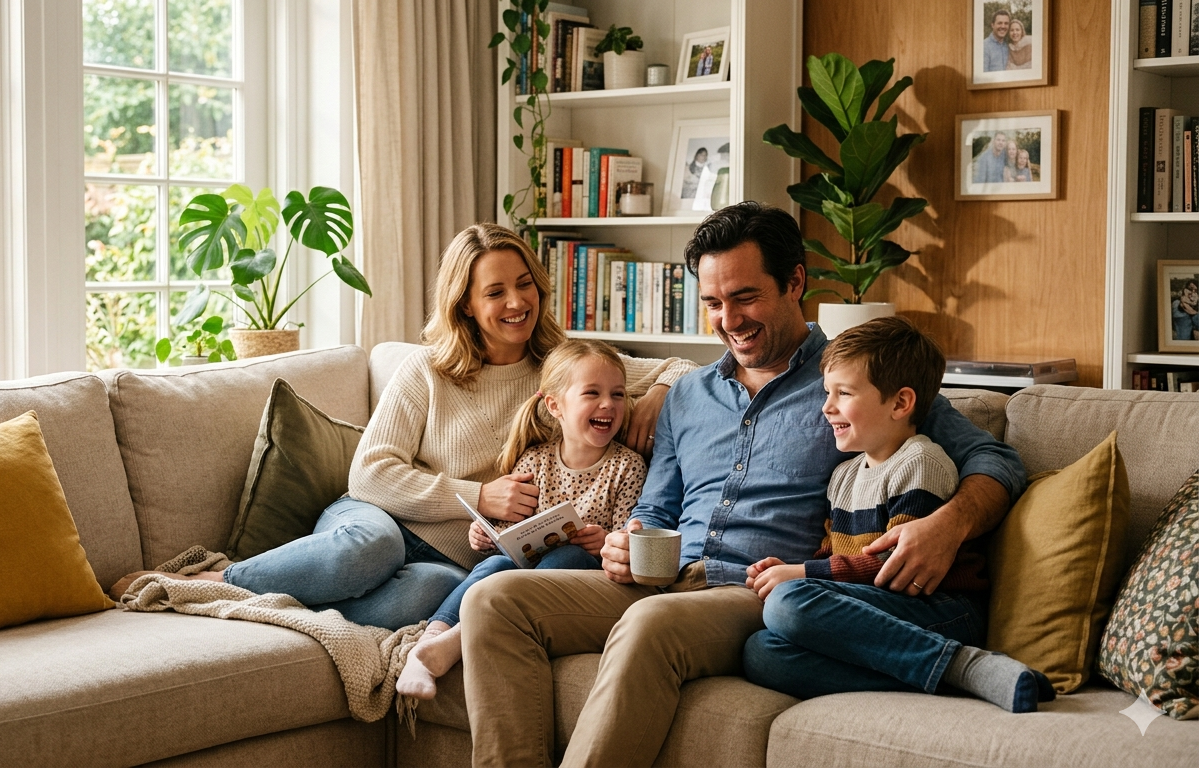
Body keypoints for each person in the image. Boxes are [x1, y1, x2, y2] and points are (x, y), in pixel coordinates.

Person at [459, 202, 1027, 767]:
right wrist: (632, 540)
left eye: (745, 297)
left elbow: (995, 460)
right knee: (492, 600)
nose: (728, 319)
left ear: (794, 282)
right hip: (665, 578)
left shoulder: (856, 380)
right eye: (712, 302)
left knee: (650, 625)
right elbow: (658, 507)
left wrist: (948, 524)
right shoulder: (686, 395)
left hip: (759, 592)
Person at [107, 224, 693, 630]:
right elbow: (369, 474)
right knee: (375, 546)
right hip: (375, 518)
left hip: (452, 556)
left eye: (525, 285)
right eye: (495, 291)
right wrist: (478, 494)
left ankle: (290, 610)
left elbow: (689, 365)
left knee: (437, 595)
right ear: (465, 303)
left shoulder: (562, 368)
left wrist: (656, 394)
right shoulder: (427, 370)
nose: (518, 302)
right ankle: (215, 580)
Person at [740, 317, 1055, 713]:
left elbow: (895, 567)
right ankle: (954, 678)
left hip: (940, 610)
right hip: (882, 608)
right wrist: (797, 567)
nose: (827, 406)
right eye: (827, 392)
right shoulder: (844, 476)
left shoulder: (921, 462)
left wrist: (801, 578)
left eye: (844, 393)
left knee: (788, 602)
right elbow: (830, 556)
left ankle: (967, 663)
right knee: (762, 653)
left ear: (901, 403)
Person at [396, 339, 647, 699]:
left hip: (583, 582)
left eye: (618, 394)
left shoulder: (627, 467)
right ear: (554, 405)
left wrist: (605, 540)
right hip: (520, 573)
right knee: (495, 563)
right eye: (592, 393)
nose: (608, 404)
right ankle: (431, 641)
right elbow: (507, 532)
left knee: (569, 556)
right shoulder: (535, 461)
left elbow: (628, 537)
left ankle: (456, 641)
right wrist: (484, 536)